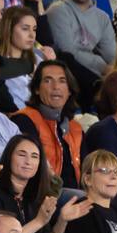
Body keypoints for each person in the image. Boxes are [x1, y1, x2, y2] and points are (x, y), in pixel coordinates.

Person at [12, 60, 84, 189]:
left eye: (62, 81)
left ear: (69, 91)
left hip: (77, 194)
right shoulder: (24, 120)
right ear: (36, 89)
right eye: (48, 80)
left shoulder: (75, 128)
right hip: (45, 193)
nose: (56, 87)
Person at [47, 0, 116, 83]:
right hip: (68, 75)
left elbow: (112, 56)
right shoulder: (58, 10)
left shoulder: (102, 18)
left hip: (97, 75)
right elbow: (67, 53)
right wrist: (102, 67)